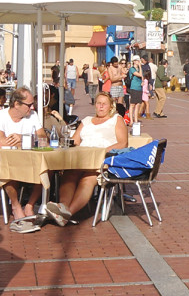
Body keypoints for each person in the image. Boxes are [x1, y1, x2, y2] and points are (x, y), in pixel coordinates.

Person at [45, 91, 128, 226]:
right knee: (68, 175)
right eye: (98, 103)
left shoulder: (116, 119)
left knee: (87, 179)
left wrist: (99, 152)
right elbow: (75, 141)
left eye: (104, 104)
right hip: (81, 159)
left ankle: (68, 213)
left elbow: (123, 143)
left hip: (100, 161)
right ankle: (63, 208)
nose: (100, 106)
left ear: (110, 106)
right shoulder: (87, 120)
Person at [0, 87, 46, 222]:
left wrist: (24, 138)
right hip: (3, 161)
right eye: (29, 104)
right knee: (9, 169)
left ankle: (30, 205)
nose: (32, 107)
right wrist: (30, 141)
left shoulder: (32, 115)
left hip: (28, 160)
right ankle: (15, 205)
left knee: (46, 168)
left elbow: (44, 139)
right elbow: (2, 143)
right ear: (16, 104)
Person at [126, 58, 145, 123]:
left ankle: (136, 120)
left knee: (138, 105)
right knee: (132, 104)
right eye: (137, 60)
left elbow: (142, 76)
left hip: (139, 88)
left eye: (139, 60)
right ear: (134, 61)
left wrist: (142, 81)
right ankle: (131, 120)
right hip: (134, 88)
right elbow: (139, 75)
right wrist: (139, 66)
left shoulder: (140, 69)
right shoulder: (132, 69)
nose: (138, 62)